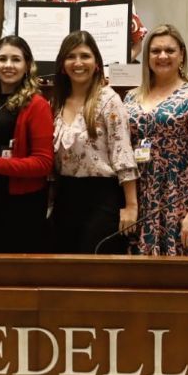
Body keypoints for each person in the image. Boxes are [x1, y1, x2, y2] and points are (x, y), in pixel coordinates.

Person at [124, 24, 188, 255]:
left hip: (178, 196)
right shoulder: (131, 97)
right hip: (139, 194)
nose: (162, 56)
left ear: (182, 55)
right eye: (155, 51)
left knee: (179, 268)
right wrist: (129, 203)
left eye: (170, 50)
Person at [50, 31, 139, 254]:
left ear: (97, 63)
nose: (78, 63)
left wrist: (131, 206)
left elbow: (123, 153)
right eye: (71, 57)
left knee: (95, 269)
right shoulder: (57, 102)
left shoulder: (108, 99)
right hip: (65, 196)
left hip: (102, 198)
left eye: (85, 56)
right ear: (62, 64)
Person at [0, 36, 53, 253]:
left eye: (16, 60)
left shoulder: (37, 105)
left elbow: (44, 163)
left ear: (27, 66)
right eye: (2, 59)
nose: (8, 65)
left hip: (22, 204)